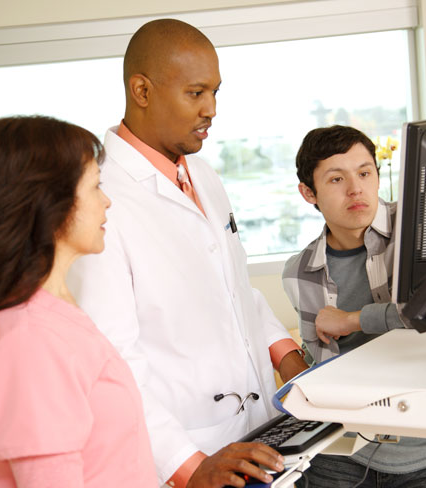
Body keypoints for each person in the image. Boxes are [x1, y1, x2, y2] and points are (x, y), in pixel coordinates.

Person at [67, 19, 308, 488]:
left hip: (258, 431)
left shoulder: (204, 175)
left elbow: (237, 292)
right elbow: (113, 360)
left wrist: (290, 359)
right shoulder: (98, 194)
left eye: (216, 92)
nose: (211, 109)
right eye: (196, 93)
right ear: (142, 90)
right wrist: (188, 465)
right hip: (186, 452)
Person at [0, 116, 158, 487]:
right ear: (49, 203)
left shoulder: (52, 314)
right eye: (95, 187)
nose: (107, 201)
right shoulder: (26, 338)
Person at [282, 125, 426, 487]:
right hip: (332, 456)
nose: (356, 189)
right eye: (336, 179)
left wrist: (354, 320)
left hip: (413, 456)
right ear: (309, 193)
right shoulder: (298, 272)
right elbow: (319, 364)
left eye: (365, 173)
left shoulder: (418, 229)